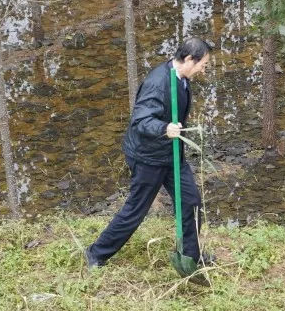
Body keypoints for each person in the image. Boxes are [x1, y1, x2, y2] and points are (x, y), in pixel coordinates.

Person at [85, 37, 214, 270]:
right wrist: (164, 128)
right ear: (187, 59)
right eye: (202, 64)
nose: (203, 70)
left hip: (172, 153)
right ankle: (96, 254)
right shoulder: (158, 82)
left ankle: (190, 257)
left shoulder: (181, 77)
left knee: (190, 201)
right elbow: (140, 121)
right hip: (149, 157)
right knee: (137, 208)